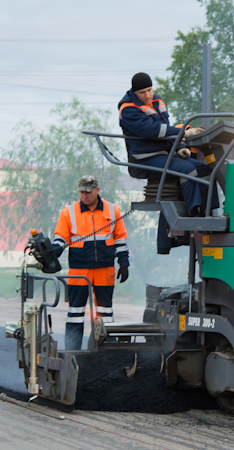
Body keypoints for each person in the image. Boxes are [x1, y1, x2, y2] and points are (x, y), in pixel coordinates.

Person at [118, 72, 219, 217]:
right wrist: (184, 132)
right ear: (134, 93)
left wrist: (178, 148)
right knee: (187, 169)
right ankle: (193, 212)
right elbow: (153, 131)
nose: (147, 95)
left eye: (149, 90)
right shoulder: (128, 109)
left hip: (165, 152)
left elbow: (165, 129)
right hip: (147, 156)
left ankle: (209, 210)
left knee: (205, 169)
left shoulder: (156, 102)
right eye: (142, 92)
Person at [52, 175, 129, 351]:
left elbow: (120, 238)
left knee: (105, 314)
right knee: (75, 314)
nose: (84, 196)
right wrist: (55, 250)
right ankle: (73, 351)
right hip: (79, 270)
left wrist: (124, 263)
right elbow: (60, 238)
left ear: (97, 190)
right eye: (81, 192)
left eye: (88, 192)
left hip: (105, 269)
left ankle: (106, 351)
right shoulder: (68, 212)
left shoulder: (112, 210)